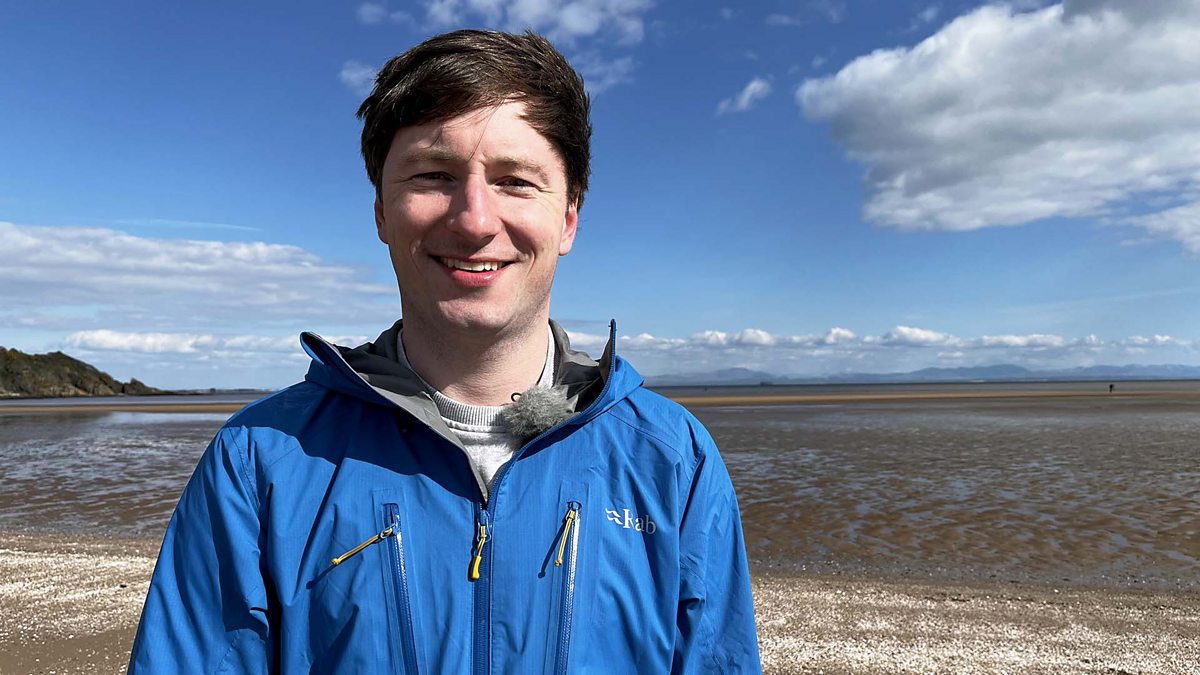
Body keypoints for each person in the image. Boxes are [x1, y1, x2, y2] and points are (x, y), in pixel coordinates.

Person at [128, 29, 761, 674]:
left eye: (516, 181)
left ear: (568, 218)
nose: (474, 220)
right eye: (434, 175)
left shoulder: (671, 459)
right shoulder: (259, 459)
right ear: (382, 212)